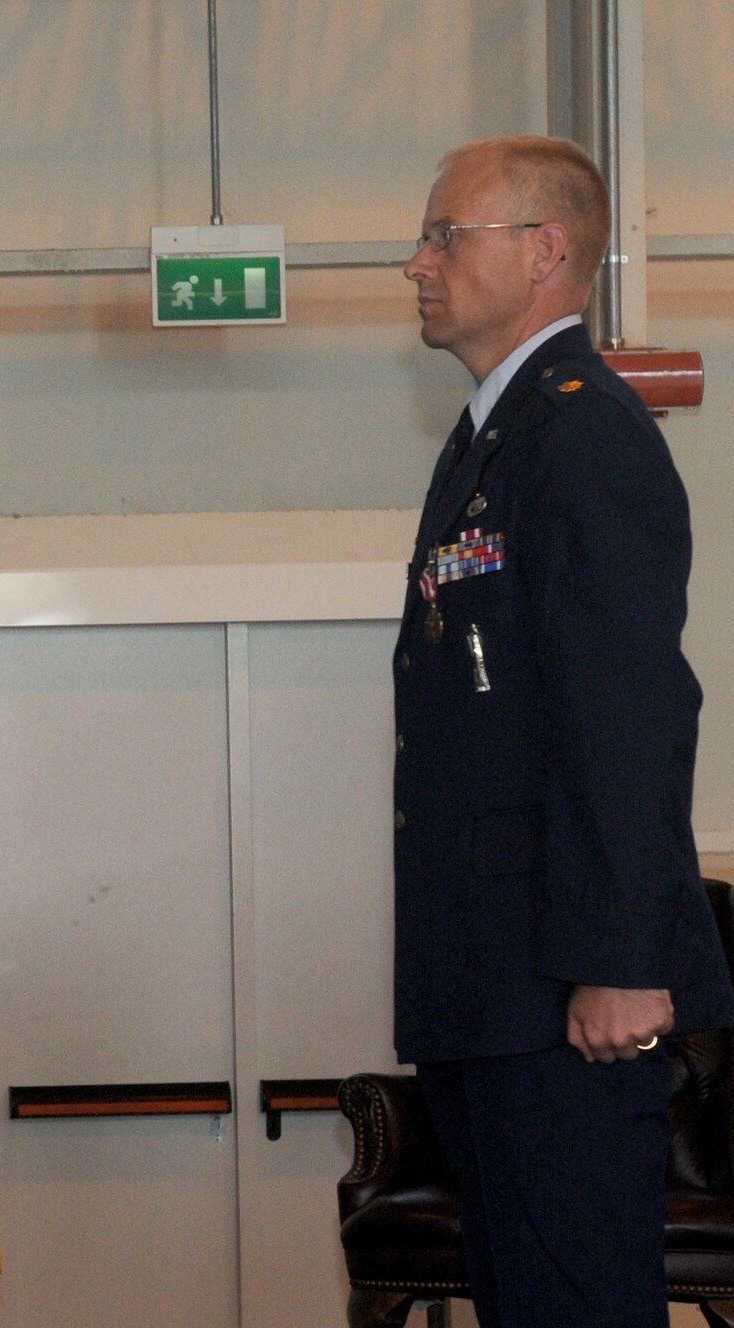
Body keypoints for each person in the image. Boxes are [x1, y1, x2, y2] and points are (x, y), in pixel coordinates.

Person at [392, 136, 734, 1328]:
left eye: (444, 236)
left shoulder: (581, 435)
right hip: (496, 983)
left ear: (543, 251)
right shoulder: (498, 434)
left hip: (563, 995)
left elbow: (627, 709)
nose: (415, 262)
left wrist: (622, 958)